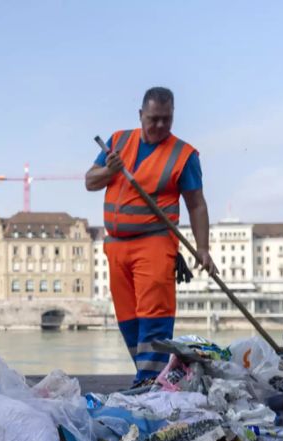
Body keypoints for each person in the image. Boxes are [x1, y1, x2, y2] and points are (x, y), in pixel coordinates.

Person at [85, 87, 216, 384]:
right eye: (154, 119)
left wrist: (203, 248)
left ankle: (147, 382)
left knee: (154, 315)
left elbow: (196, 204)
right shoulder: (117, 141)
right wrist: (110, 170)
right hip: (116, 247)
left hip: (155, 243)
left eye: (166, 120)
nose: (159, 126)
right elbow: (90, 181)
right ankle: (152, 376)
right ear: (140, 115)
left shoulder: (183, 155)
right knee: (128, 320)